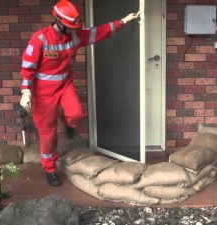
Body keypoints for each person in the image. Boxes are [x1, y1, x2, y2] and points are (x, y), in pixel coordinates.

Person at [20, 0, 140, 186]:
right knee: (48, 133)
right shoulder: (40, 39)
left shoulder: (76, 35)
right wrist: (26, 91)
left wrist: (123, 21)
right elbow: (28, 67)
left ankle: (68, 123)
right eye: (68, 25)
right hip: (43, 93)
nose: (72, 29)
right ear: (58, 20)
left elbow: (99, 32)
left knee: (76, 113)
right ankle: (50, 168)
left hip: (65, 85)